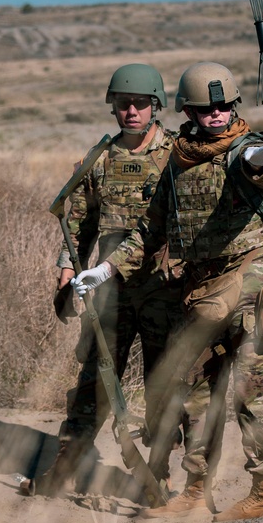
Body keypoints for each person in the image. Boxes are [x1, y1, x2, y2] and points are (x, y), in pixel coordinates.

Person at [72, 61, 263, 521]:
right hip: (202, 290)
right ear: (188, 111)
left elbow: (250, 163)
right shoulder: (179, 159)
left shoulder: (248, 147)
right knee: (193, 393)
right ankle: (194, 492)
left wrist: (262, 161)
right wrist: (107, 268)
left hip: (251, 282)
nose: (216, 114)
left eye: (223, 106)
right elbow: (150, 229)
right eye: (205, 108)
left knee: (253, 394)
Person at [21, 63, 185, 499]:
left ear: (157, 106)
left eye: (140, 103)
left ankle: (159, 478)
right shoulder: (99, 159)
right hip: (108, 290)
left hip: (161, 288)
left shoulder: (178, 154)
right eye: (122, 104)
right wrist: (66, 271)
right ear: (112, 107)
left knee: (162, 386)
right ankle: (63, 472)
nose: (131, 111)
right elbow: (77, 222)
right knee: (93, 385)